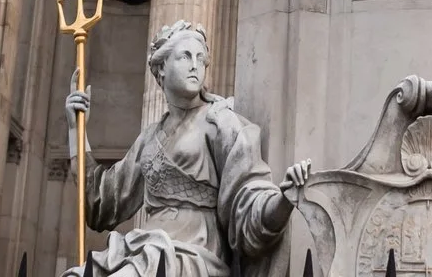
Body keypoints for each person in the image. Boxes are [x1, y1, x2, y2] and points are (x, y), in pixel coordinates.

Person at [65, 19, 311, 277]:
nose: (196, 66)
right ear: (161, 67)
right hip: (145, 249)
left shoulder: (221, 122)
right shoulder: (150, 137)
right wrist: (76, 130)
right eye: (185, 56)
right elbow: (102, 203)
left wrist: (282, 201)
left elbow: (249, 199)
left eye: (201, 58)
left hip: (192, 254)